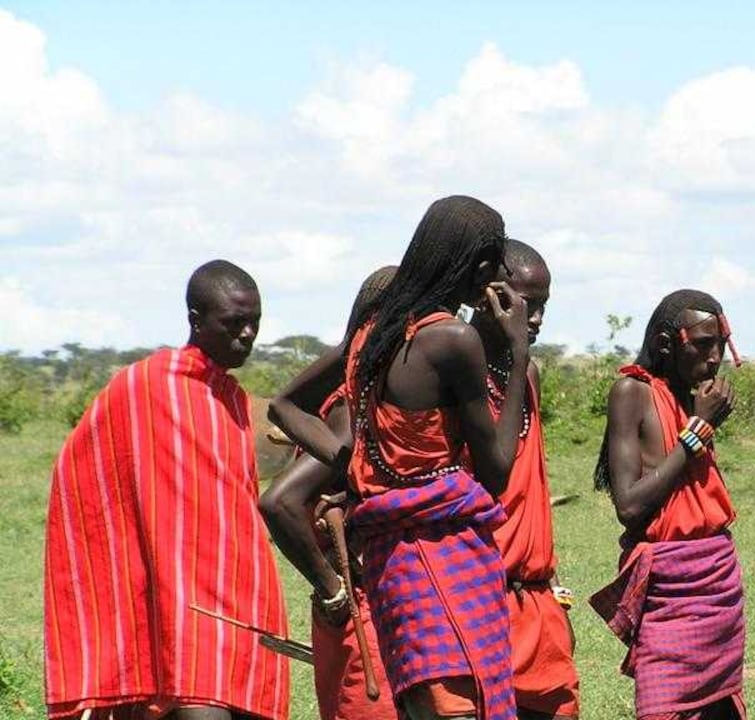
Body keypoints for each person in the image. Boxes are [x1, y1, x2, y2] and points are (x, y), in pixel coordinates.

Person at [270, 195, 528, 720]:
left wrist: (357, 463)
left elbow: (285, 405)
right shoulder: (452, 340)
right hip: (446, 553)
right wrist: (517, 354)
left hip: (393, 564)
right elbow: (497, 473)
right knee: (459, 703)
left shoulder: (372, 336)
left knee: (419, 702)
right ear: (479, 268)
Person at [44, 260, 289, 720]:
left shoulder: (233, 400)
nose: (248, 335)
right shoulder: (146, 385)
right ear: (196, 321)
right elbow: (83, 471)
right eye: (234, 323)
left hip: (242, 592)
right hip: (177, 597)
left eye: (255, 321)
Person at [589, 289, 745, 720]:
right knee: (660, 708)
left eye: (720, 345)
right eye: (702, 345)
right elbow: (630, 505)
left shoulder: (692, 397)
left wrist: (700, 420)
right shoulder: (631, 392)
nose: (715, 358)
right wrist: (699, 430)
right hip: (669, 593)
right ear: (665, 343)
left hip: (717, 585)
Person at [259, 266, 399, 720]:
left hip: (356, 614)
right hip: (364, 615)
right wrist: (334, 588)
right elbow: (280, 502)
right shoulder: (348, 408)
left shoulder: (367, 400)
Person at [468, 240, 580, 719]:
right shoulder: (452, 369)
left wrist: (551, 585)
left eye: (542, 307)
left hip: (537, 601)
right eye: (524, 305)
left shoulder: (527, 372)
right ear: (485, 295)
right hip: (481, 598)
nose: (533, 319)